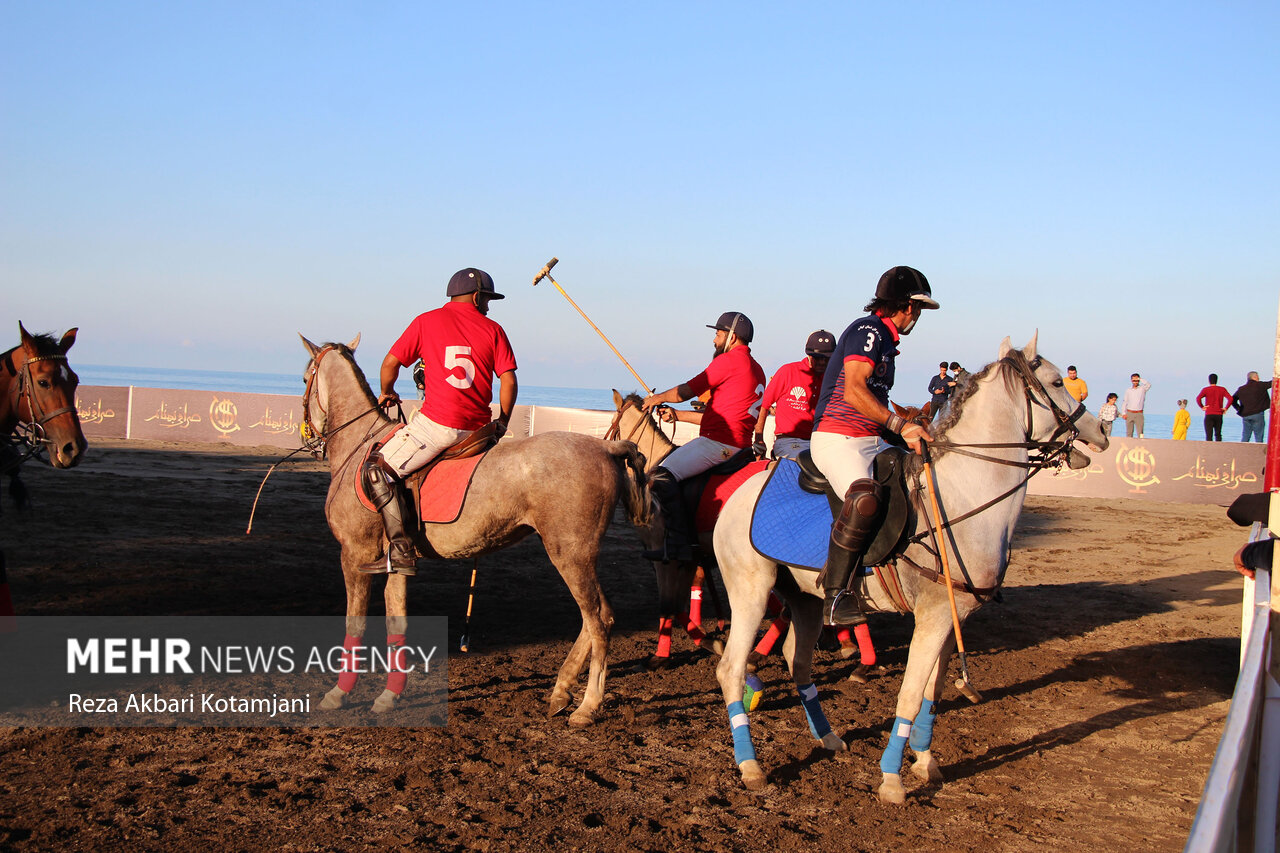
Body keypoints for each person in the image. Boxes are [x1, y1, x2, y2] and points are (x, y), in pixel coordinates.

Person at [359, 268, 518, 574]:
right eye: (487, 300)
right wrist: (503, 422)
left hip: (439, 427)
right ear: (476, 297)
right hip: (479, 431)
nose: (487, 306)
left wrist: (387, 392)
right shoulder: (494, 329)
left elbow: (390, 364)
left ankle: (400, 550)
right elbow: (509, 381)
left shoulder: (425, 321)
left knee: (376, 470)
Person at [810, 266, 938, 625]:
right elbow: (854, 391)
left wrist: (909, 434)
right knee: (864, 498)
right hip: (837, 438)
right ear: (907, 306)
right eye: (918, 308)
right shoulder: (869, 330)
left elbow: (877, 404)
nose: (918, 316)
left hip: (871, 439)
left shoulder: (887, 342)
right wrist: (901, 425)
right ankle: (836, 595)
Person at [642, 312, 766, 561]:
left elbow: (687, 391)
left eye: (718, 334)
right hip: (740, 447)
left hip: (718, 444)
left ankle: (678, 545)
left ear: (732, 337)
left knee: (661, 476)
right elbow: (722, 416)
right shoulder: (757, 369)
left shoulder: (728, 361)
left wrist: (657, 398)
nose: (714, 340)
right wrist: (678, 415)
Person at [752, 330, 835, 461]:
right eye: (818, 358)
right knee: (804, 463)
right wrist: (759, 439)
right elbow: (764, 404)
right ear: (809, 355)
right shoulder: (788, 372)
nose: (822, 362)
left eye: (827, 358)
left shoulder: (833, 379)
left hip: (819, 442)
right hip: (789, 442)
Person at [1232, 371, 1271, 443]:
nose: (1259, 378)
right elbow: (1272, 383)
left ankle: (1242, 449)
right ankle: (1258, 450)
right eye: (1258, 376)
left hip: (1245, 415)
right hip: (1257, 414)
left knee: (1245, 435)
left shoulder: (1241, 389)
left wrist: (1239, 409)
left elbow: (1233, 400)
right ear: (1254, 377)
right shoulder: (1260, 385)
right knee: (1259, 436)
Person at [1196, 374, 1232, 442]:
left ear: (1209, 380)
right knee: (1218, 434)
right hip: (1219, 414)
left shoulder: (1206, 389)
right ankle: (1218, 447)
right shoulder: (1222, 389)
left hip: (1209, 413)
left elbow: (1198, 398)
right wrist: (1226, 408)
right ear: (1217, 380)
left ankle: (1209, 447)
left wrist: (1202, 406)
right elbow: (1230, 399)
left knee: (1209, 435)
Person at [1121, 373, 1151, 438]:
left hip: (1139, 413)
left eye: (1137, 380)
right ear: (1131, 380)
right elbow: (1125, 401)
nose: (1135, 382)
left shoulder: (1142, 389)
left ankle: (1141, 443)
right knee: (1129, 432)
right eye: (1134, 380)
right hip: (1130, 412)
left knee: (1140, 432)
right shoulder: (1128, 390)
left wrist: (1140, 379)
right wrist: (1123, 413)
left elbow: (1148, 385)